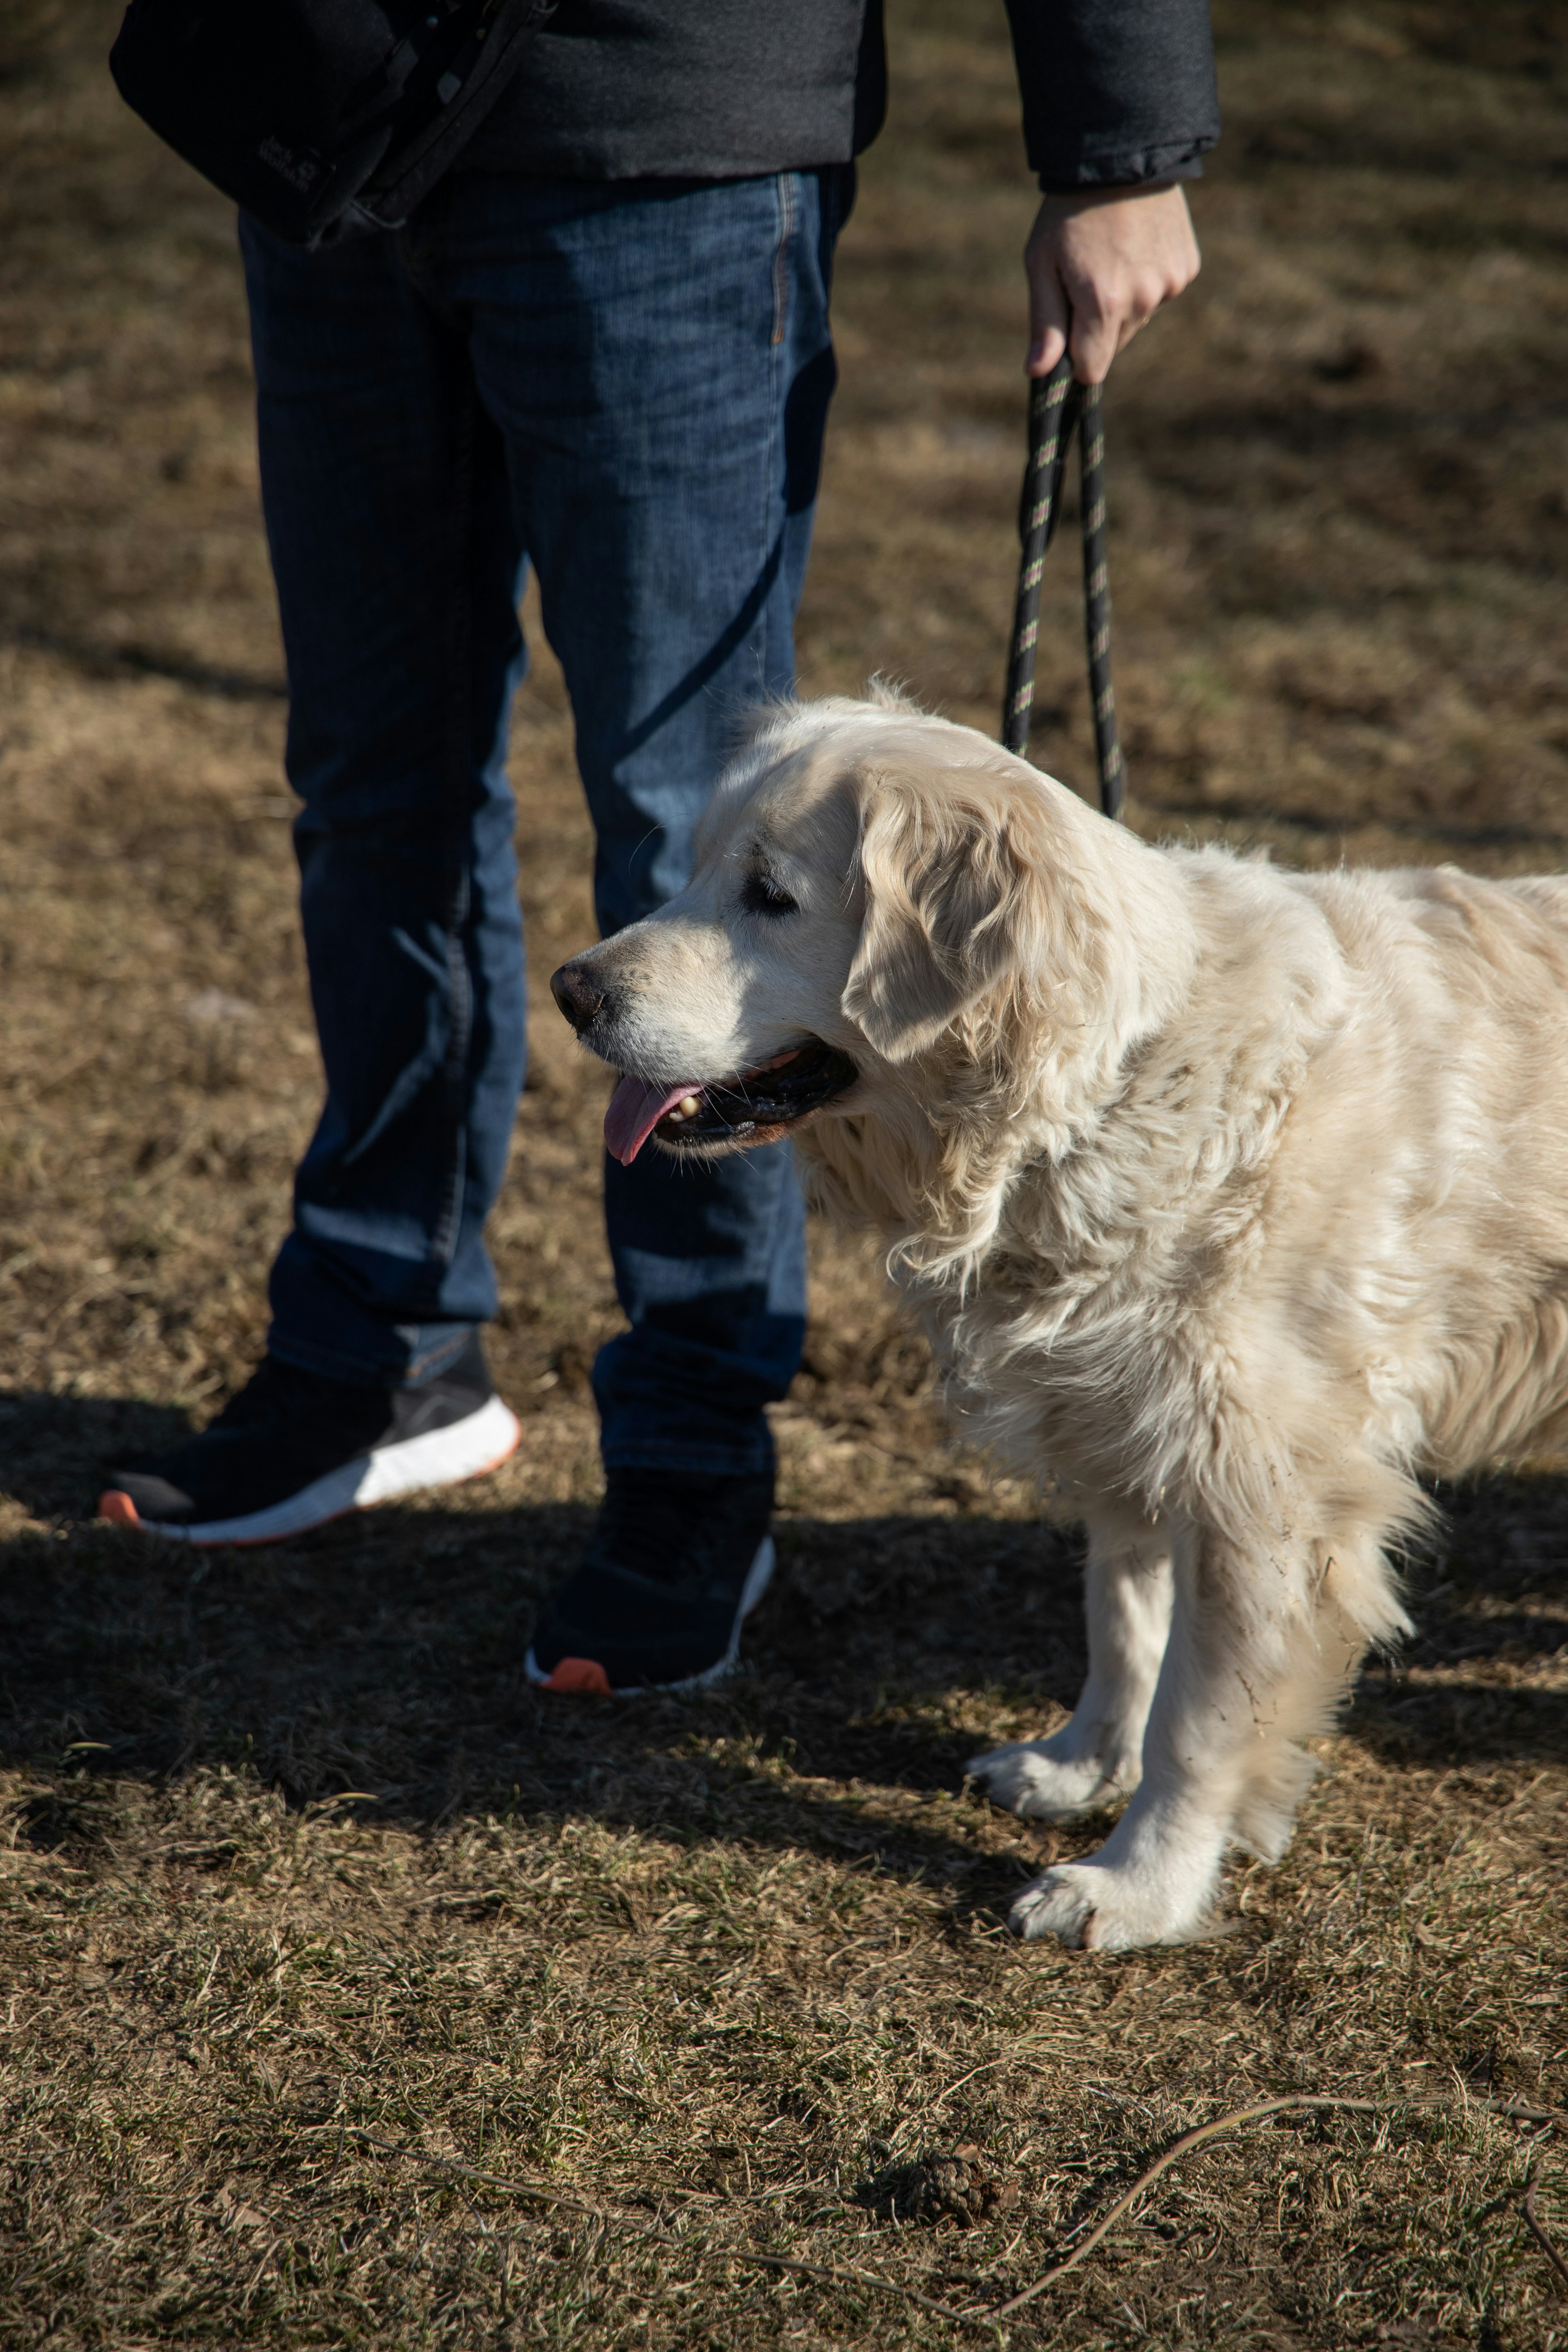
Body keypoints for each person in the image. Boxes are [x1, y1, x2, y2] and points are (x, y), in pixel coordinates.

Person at [99, 1, 1219, 1693]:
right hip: (325, 119)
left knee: (683, 810)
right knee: (367, 780)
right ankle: (382, 1347)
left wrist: (1120, 141)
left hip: (668, 134)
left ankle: (697, 1446)